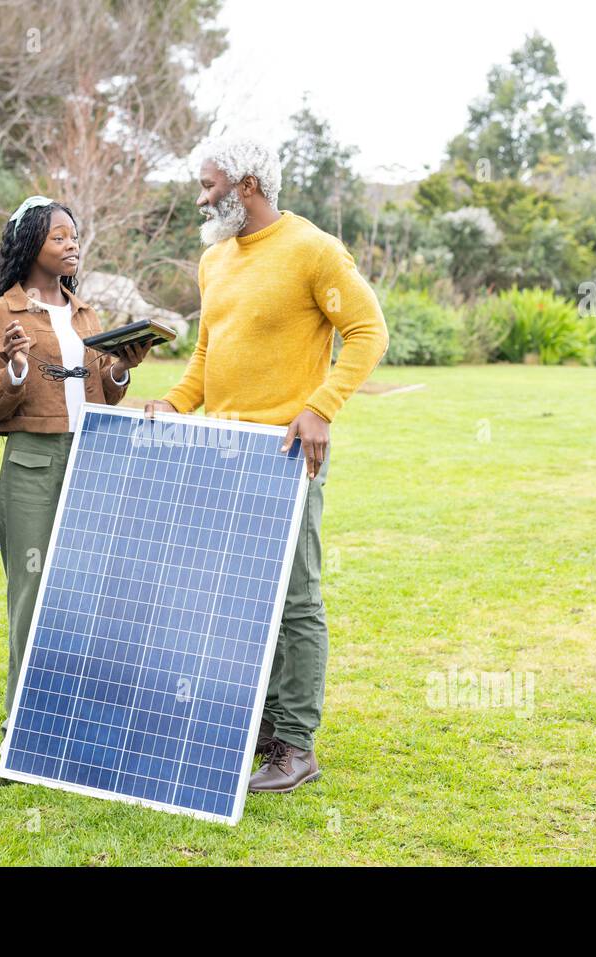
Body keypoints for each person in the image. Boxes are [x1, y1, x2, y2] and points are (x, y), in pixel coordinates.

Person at [145, 137, 388, 794]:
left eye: (210, 184)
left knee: (297, 598)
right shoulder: (214, 259)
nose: (201, 197)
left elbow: (369, 332)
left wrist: (321, 406)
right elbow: (207, 353)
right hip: (224, 455)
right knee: (243, 598)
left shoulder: (312, 249)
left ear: (248, 184)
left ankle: (295, 745)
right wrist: (172, 403)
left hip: (286, 455)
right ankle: (256, 726)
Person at [0, 196, 151, 724]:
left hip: (93, 456)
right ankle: (25, 718)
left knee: (88, 583)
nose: (72, 245)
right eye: (60, 237)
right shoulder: (1, 313)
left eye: (75, 236)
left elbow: (107, 391)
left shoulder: (85, 312)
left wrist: (120, 369)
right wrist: (19, 368)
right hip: (32, 464)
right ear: (31, 246)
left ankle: (82, 708)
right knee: (32, 588)